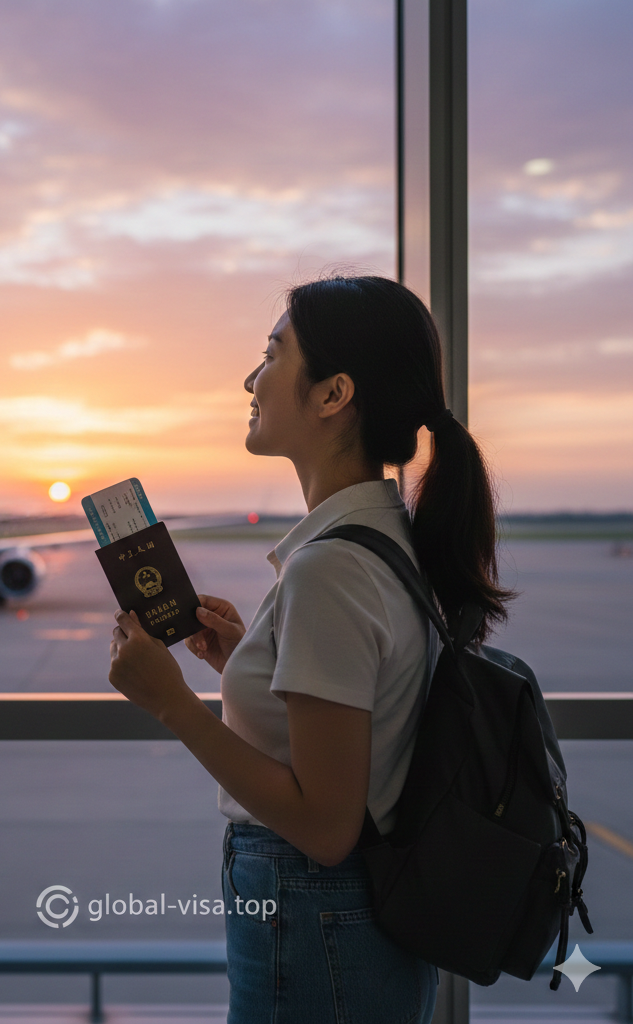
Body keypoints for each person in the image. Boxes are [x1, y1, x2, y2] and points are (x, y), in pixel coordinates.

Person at [107, 275, 512, 1023]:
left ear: (332, 395)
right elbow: (362, 721)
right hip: (355, 919)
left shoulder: (331, 566)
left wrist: (170, 703)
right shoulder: (384, 541)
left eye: (272, 354)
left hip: (312, 907)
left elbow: (326, 826)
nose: (250, 378)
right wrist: (247, 668)